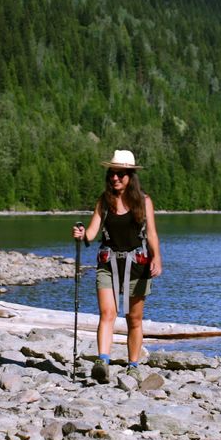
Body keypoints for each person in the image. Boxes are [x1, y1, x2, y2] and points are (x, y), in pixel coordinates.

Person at [72, 150, 162, 383]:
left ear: (130, 176)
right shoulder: (104, 201)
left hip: (138, 264)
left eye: (120, 174)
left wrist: (157, 257)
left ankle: (133, 365)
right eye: (112, 173)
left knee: (134, 318)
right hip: (108, 263)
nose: (115, 178)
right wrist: (82, 235)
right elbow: (92, 231)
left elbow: (151, 234)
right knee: (108, 313)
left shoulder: (144, 201)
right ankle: (103, 361)